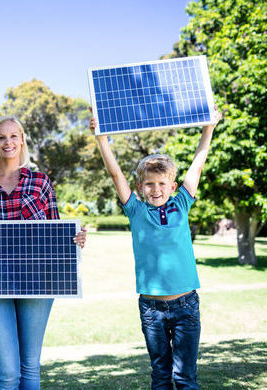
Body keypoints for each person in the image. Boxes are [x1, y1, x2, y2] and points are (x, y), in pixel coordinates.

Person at [90, 107, 222, 389]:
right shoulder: (136, 211)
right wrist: (102, 140)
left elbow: (197, 165)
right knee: (161, 374)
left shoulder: (182, 204)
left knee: (185, 376)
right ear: (140, 187)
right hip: (152, 309)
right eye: (149, 184)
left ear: (173, 185)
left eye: (162, 183)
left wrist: (208, 129)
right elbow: (115, 174)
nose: (156, 189)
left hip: (186, 305)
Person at [0, 115, 86, 390]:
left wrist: (75, 238)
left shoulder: (40, 181)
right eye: (1, 137)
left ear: (22, 140)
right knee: (7, 373)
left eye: (13, 136)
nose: (8, 142)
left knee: (30, 369)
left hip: (37, 282)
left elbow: (56, 233)